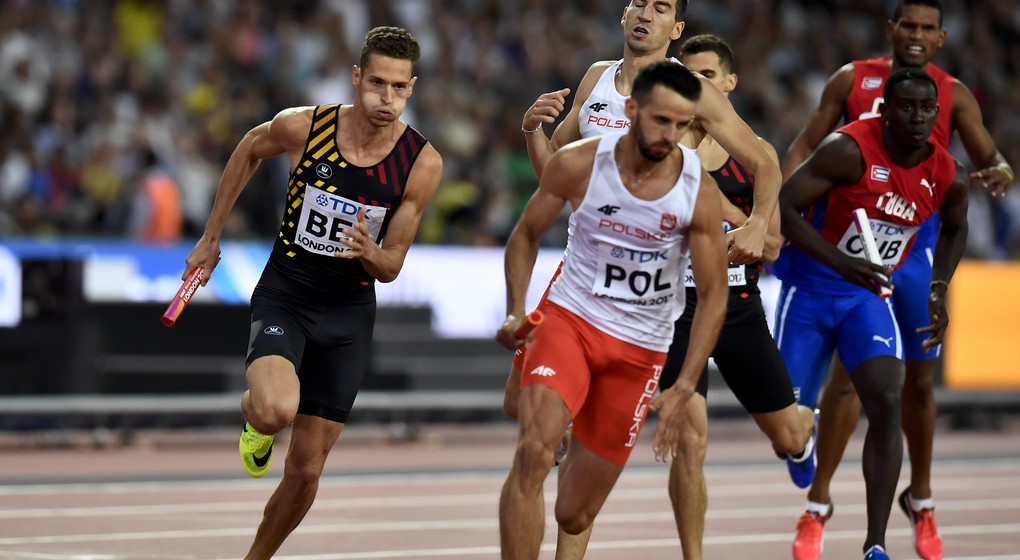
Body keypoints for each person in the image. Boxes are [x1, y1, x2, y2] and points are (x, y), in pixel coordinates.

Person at [181, 27, 442, 560]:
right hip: (288, 293)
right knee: (277, 409)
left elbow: (392, 266)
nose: (385, 99)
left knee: (304, 472)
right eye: (375, 84)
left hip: (349, 315)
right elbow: (249, 149)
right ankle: (255, 419)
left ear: (411, 87)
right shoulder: (307, 127)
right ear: (356, 78)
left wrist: (371, 251)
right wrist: (211, 238)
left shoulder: (421, 163)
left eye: (397, 87)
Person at [780, 2, 1012, 558]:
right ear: (893, 30)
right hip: (845, 237)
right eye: (907, 24)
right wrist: (783, 199)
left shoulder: (951, 94)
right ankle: (818, 503)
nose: (916, 34)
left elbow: (987, 157)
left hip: (914, 250)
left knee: (914, 384)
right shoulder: (851, 80)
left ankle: (921, 502)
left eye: (926, 27)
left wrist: (1000, 169)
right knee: (843, 381)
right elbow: (806, 146)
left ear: (940, 37)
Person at [497, 61, 728, 560]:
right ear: (630, 110)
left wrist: (685, 383)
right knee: (533, 453)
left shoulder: (699, 193)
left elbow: (713, 296)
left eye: (681, 124)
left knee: (574, 512)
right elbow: (524, 236)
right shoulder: (580, 162)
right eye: (659, 120)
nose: (669, 135)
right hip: (571, 320)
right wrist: (517, 311)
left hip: (639, 351)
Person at [662, 34, 817, 560]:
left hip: (738, 310)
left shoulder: (746, 157)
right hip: (677, 309)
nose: (694, 86)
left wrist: (729, 212)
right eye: (687, 75)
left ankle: (804, 428)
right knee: (691, 439)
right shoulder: (661, 143)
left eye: (706, 76)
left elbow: (771, 245)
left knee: (788, 438)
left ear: (729, 83)